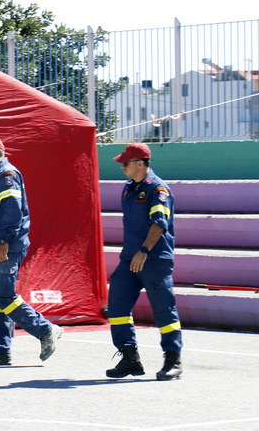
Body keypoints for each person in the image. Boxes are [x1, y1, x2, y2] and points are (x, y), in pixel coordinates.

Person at [0, 135, 62, 366]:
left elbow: (13, 210)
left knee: (3, 295)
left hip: (5, 246)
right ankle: (0, 349)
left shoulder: (6, 175)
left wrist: (5, 240)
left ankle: (45, 330)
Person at [105, 142, 182, 381]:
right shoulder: (129, 188)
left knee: (163, 308)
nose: (122, 168)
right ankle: (130, 358)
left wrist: (144, 251)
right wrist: (134, 253)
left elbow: (159, 223)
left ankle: (173, 359)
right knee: (116, 305)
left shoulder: (158, 189)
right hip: (130, 257)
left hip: (153, 258)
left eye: (125, 164)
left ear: (141, 164)